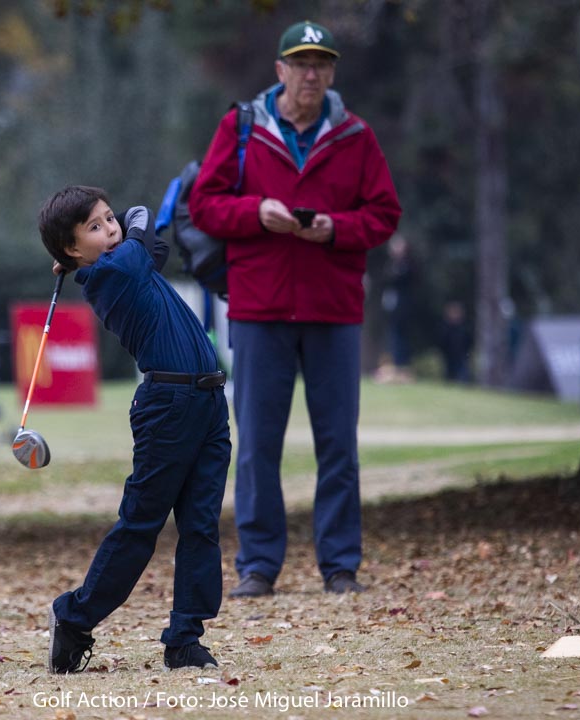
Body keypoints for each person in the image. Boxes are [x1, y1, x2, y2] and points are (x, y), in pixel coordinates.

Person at [189, 21, 402, 597]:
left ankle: (341, 566)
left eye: (322, 64)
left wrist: (336, 229)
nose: (312, 74)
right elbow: (204, 205)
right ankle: (258, 566)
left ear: (332, 73)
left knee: (339, 445)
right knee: (258, 445)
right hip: (260, 309)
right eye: (302, 63)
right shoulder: (241, 128)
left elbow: (385, 214)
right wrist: (255, 212)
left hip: (334, 309)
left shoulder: (355, 135)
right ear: (280, 70)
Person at [37, 185, 231, 672]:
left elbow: (144, 234)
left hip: (209, 401)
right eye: (95, 227)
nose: (111, 229)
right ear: (72, 248)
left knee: (201, 526)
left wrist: (81, 246)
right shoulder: (114, 272)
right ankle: (74, 617)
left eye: (109, 219)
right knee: (141, 525)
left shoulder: (129, 261)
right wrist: (86, 252)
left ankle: (185, 638)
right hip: (168, 406)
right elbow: (142, 216)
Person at [374, 234, 417, 384]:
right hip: (392, 308)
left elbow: (403, 280)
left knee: (400, 336)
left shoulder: (408, 265)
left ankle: (402, 366)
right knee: (393, 336)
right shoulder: (391, 265)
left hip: (403, 308)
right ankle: (394, 365)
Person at [439, 301, 472, 383]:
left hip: (461, 358)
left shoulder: (464, 328)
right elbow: (442, 342)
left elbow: (468, 341)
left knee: (462, 376)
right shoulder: (445, 327)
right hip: (449, 357)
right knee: (449, 377)